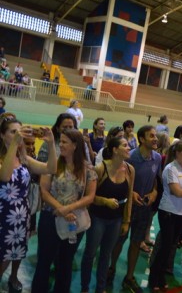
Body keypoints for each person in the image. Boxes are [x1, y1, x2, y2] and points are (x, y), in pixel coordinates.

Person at [31, 129, 97, 293]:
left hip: (73, 220)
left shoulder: (87, 169)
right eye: (60, 142)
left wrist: (69, 208)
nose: (61, 145)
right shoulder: (53, 164)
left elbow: (90, 196)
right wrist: (60, 208)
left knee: (65, 263)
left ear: (75, 145)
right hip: (50, 218)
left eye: (64, 142)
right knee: (44, 261)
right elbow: (44, 191)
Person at [0, 118, 57, 292]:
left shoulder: (23, 158)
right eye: (12, 132)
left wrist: (52, 143)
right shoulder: (4, 158)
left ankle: (14, 276)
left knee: (18, 250)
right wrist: (14, 145)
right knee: (2, 254)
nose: (18, 135)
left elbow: (51, 169)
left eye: (19, 131)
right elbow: (5, 176)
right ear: (2, 136)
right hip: (4, 215)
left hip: (21, 214)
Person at [108, 125, 161, 292]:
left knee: (137, 242)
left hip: (144, 207)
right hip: (127, 206)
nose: (155, 139)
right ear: (142, 139)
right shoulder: (130, 157)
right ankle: (111, 268)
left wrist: (154, 192)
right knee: (120, 239)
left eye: (156, 136)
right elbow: (121, 180)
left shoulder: (157, 158)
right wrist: (133, 194)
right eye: (151, 136)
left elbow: (155, 180)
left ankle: (129, 277)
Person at [81, 137, 135, 293]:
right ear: (114, 150)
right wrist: (104, 201)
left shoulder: (130, 170)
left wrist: (126, 220)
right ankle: (85, 288)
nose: (128, 148)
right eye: (124, 145)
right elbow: (88, 196)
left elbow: (129, 197)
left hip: (116, 220)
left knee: (106, 255)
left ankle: (101, 288)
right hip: (97, 218)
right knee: (90, 254)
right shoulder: (100, 169)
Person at [148, 140, 182, 290]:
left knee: (171, 246)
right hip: (168, 212)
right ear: (177, 153)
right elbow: (176, 192)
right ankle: (154, 277)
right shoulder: (170, 169)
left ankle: (161, 276)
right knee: (165, 247)